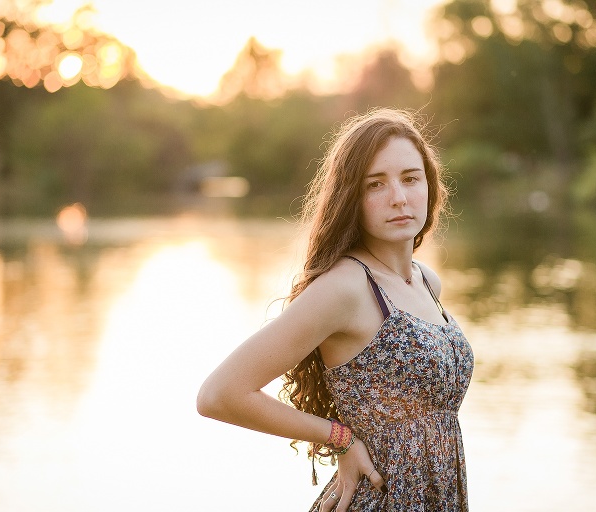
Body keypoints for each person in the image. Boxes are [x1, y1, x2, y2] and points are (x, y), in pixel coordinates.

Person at [197, 108, 474, 512]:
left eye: (410, 179)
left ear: (429, 186)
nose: (399, 197)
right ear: (352, 198)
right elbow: (219, 394)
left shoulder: (427, 281)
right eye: (375, 185)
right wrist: (339, 439)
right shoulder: (348, 287)